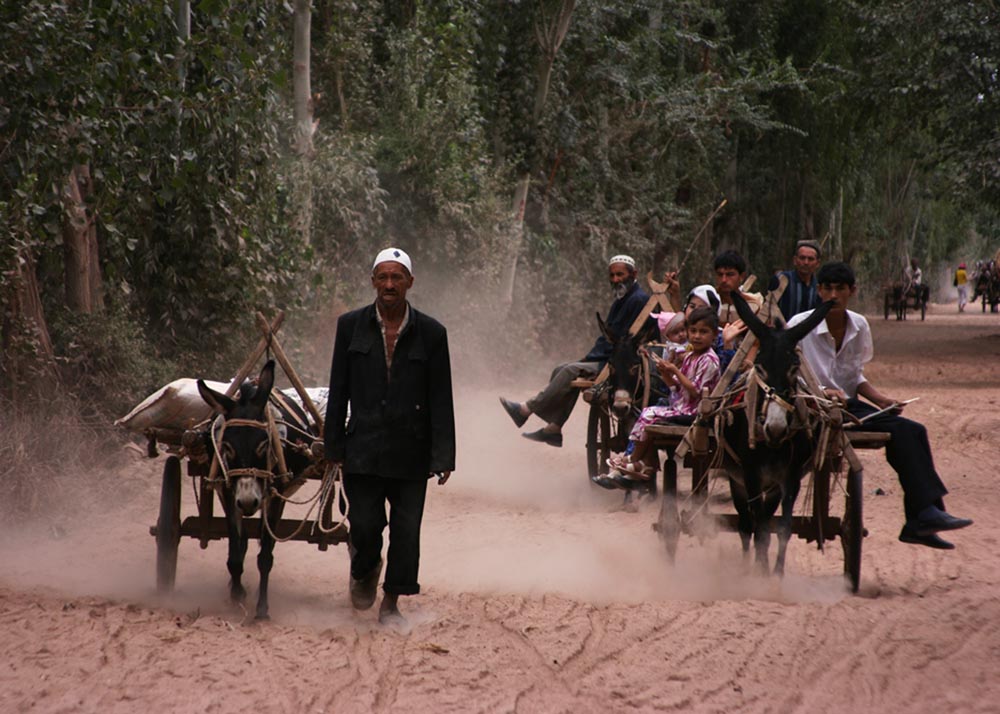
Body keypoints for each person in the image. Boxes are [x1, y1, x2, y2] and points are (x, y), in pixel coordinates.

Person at [788, 262, 973, 549]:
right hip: (808, 407)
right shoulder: (799, 325)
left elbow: (853, 375)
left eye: (840, 288)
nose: (834, 294)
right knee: (905, 431)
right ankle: (925, 516)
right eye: (828, 288)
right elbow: (790, 375)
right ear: (819, 291)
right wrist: (823, 391)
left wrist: (880, 400)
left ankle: (923, 516)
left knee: (912, 431)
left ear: (852, 291)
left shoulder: (859, 324)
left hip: (848, 406)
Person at [324, 248, 456, 627]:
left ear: (410, 283)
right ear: (372, 282)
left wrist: (443, 455)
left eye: (397, 277)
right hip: (362, 449)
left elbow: (440, 397)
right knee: (364, 526)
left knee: (406, 531)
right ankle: (364, 569)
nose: (389, 285)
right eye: (382, 277)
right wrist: (333, 446)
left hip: (411, 451)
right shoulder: (350, 326)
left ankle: (391, 603)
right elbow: (339, 388)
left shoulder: (432, 334)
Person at [499, 255, 650, 447]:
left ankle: (525, 409)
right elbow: (611, 336)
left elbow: (620, 341)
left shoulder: (637, 299)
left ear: (634, 274)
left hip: (623, 364)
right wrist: (590, 356)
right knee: (561, 368)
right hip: (613, 356)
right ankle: (554, 427)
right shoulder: (624, 298)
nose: (615, 280)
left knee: (570, 370)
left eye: (620, 275)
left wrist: (591, 357)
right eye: (612, 275)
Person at [595, 307, 721, 488]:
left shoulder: (709, 360)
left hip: (696, 412)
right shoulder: (690, 357)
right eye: (693, 331)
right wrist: (665, 372)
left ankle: (633, 459)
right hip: (681, 406)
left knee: (647, 414)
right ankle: (637, 464)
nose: (697, 336)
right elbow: (676, 387)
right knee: (648, 412)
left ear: (714, 335)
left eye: (703, 332)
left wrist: (675, 370)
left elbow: (695, 392)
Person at [769, 239, 822, 320]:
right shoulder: (781, 280)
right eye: (802, 258)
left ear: (817, 263)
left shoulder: (820, 287)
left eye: (810, 259)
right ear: (795, 260)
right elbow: (768, 309)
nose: (806, 262)